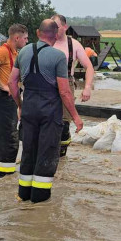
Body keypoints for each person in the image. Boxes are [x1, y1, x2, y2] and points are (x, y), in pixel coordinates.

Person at [9, 19, 83, 203]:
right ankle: (39, 201)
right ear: (56, 34)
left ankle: (23, 195)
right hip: (49, 112)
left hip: (29, 109)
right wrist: (75, 117)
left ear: (37, 32)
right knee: (47, 152)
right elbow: (65, 92)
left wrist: (20, 105)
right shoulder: (58, 57)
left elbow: (12, 83)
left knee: (28, 151)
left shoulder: (23, 51)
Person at [0, 24, 28, 177]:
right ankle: (6, 174)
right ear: (17, 38)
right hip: (3, 97)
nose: (27, 41)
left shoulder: (14, 52)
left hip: (7, 98)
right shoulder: (3, 51)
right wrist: (2, 85)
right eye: (25, 38)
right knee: (10, 136)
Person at [51, 14, 95, 157]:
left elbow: (89, 67)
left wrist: (87, 87)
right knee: (46, 121)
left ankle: (62, 155)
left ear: (65, 27)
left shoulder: (74, 44)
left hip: (66, 82)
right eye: (51, 27)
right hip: (47, 83)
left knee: (64, 124)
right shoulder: (46, 42)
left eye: (56, 27)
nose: (53, 30)